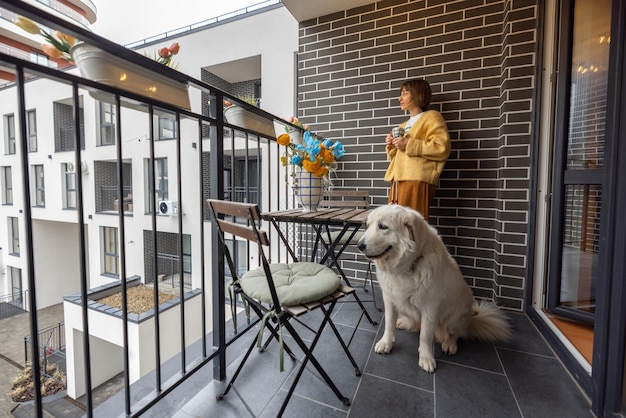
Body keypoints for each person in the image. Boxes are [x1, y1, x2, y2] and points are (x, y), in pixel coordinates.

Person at [384, 79, 450, 221]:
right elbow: (398, 157)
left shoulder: (431, 117)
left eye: (405, 93)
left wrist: (408, 143)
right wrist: (392, 145)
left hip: (416, 179)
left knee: (413, 225)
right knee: (396, 225)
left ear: (418, 94)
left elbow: (441, 147)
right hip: (398, 180)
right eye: (401, 94)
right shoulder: (403, 125)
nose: (400, 98)